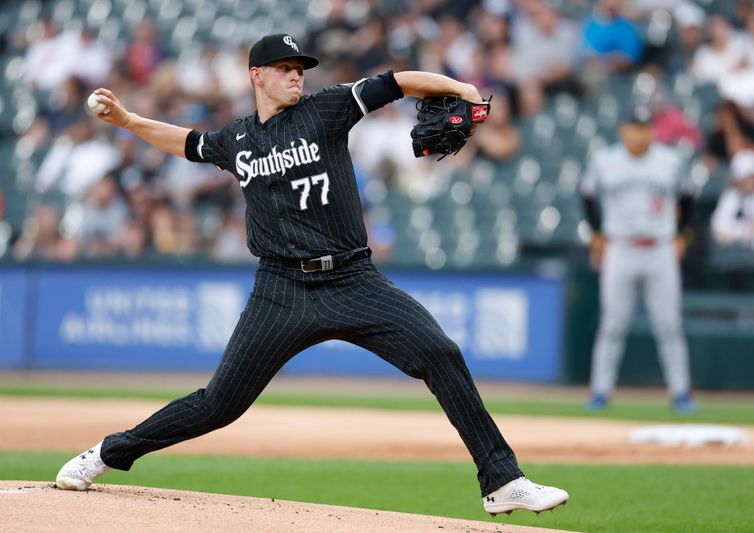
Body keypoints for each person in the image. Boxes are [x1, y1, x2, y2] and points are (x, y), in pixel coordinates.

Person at [55, 33, 569, 516]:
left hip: (353, 280)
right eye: (284, 68)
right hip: (281, 290)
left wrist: (460, 87)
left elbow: (397, 82)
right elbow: (187, 143)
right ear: (257, 75)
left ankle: (501, 481)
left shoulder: (327, 108)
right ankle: (107, 453)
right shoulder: (237, 139)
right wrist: (127, 120)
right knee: (219, 405)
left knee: (440, 353)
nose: (296, 75)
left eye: (299, 67)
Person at [580, 105, 696, 413]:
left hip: (660, 247)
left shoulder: (670, 161)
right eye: (635, 126)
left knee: (669, 325)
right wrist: (596, 233)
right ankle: (600, 392)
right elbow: (587, 196)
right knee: (613, 324)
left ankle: (681, 393)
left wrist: (682, 234)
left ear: (652, 130)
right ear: (623, 130)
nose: (640, 132)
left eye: (645, 126)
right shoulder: (606, 160)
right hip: (621, 247)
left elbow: (688, 197)